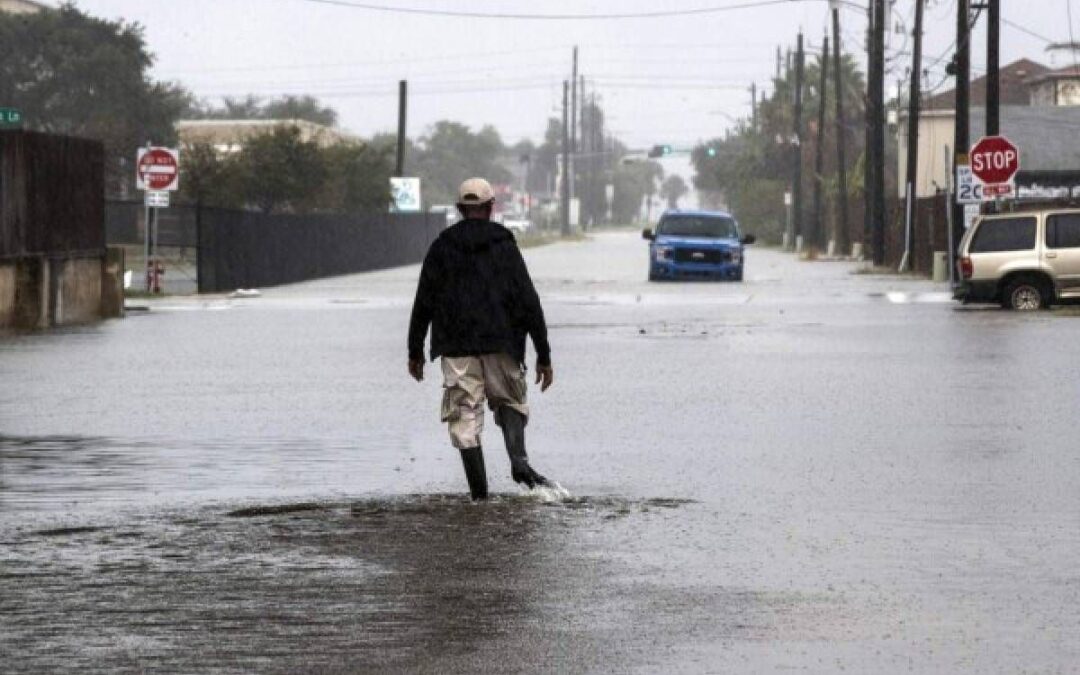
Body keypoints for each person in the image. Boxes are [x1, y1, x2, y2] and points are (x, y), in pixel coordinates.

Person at [407, 177, 554, 501]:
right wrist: (543, 354)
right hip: (502, 342)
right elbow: (528, 300)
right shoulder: (504, 245)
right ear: (490, 208)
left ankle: (480, 499)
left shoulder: (442, 246)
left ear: (460, 210)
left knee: (465, 415)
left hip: (457, 346)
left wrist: (414, 351)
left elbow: (424, 302)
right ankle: (519, 460)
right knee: (510, 401)